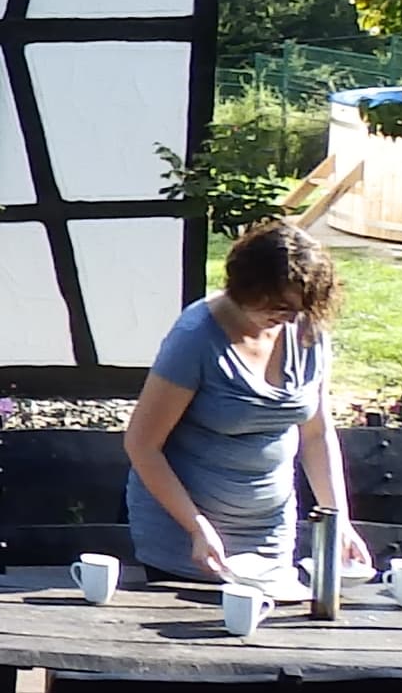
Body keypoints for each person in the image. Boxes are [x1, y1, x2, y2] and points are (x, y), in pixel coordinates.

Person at [122, 220, 369, 586]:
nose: (287, 317)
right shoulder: (195, 338)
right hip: (186, 539)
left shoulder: (306, 330)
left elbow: (316, 435)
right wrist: (196, 526)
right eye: (278, 305)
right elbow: (142, 444)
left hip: (270, 537)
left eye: (297, 309)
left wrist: (339, 522)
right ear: (247, 286)